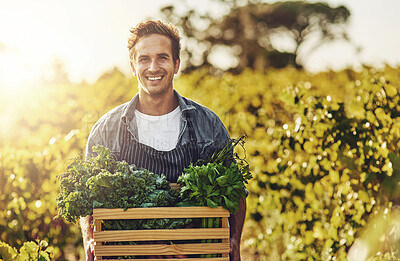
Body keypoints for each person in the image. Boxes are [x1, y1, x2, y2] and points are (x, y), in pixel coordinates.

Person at [80, 20, 246, 261]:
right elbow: (87, 196)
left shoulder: (207, 124)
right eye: (144, 59)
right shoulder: (107, 130)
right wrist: (89, 238)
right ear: (133, 66)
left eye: (162, 57)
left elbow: (236, 191)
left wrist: (234, 241)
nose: (153, 67)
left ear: (176, 64)